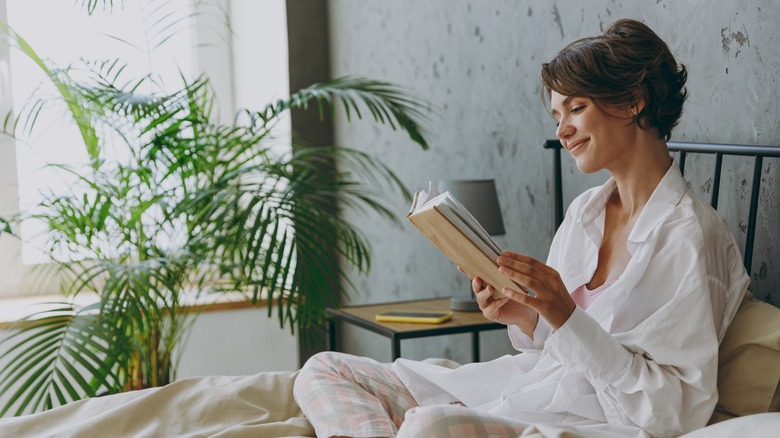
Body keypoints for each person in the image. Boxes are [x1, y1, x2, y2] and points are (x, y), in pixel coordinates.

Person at [293, 18, 749, 438]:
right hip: (526, 388)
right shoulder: (585, 212)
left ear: (633, 100)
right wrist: (527, 316)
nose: (563, 130)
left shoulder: (690, 236)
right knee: (324, 368)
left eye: (576, 107)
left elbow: (677, 410)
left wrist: (564, 314)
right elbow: (556, 348)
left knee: (427, 426)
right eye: (557, 117)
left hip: (588, 420)